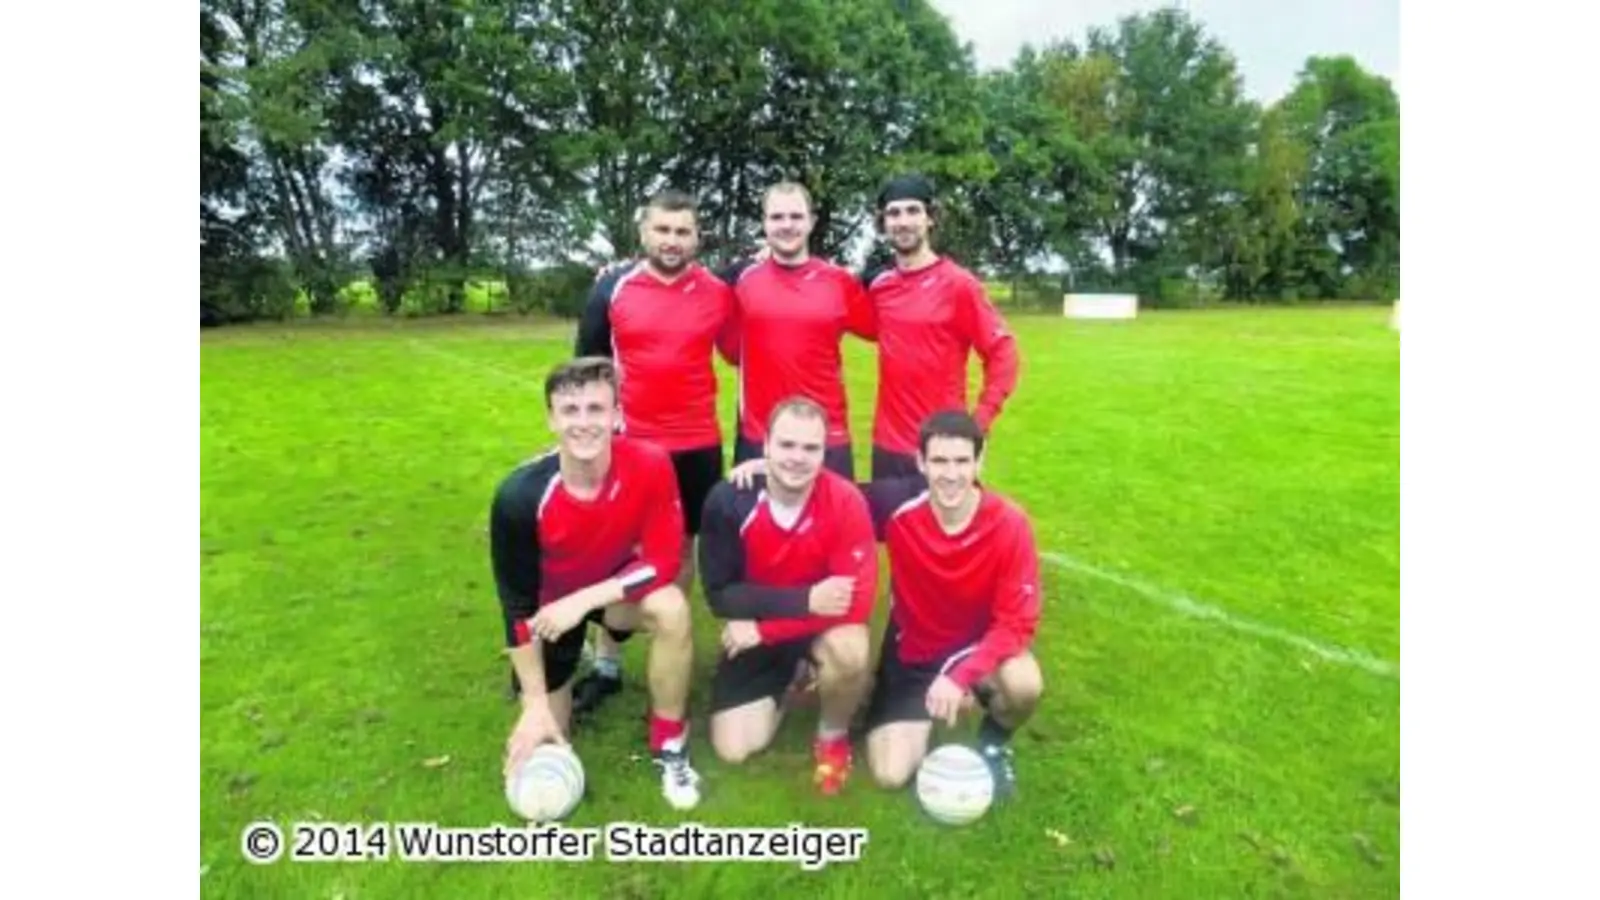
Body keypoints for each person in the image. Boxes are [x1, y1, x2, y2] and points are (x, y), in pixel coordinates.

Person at [727, 409, 1044, 799]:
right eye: (939, 461)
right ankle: (895, 701)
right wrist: (774, 466)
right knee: (890, 774)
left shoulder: (1010, 524)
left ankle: (993, 746)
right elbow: (830, 493)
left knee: (1024, 684)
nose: (950, 474)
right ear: (920, 461)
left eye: (962, 461)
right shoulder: (898, 504)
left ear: (979, 461)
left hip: (977, 649)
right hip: (913, 654)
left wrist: (961, 676)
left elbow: (1016, 622)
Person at [491, 357, 702, 810]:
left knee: (671, 607)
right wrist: (533, 705)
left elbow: (665, 561)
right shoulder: (519, 496)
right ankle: (557, 683)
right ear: (551, 418)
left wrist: (585, 600)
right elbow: (516, 606)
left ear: (617, 415)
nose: (583, 423)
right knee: (550, 742)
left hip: (609, 593)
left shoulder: (650, 464)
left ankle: (669, 741)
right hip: (549, 615)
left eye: (595, 409)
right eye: (570, 411)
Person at [568, 189, 739, 717]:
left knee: (683, 549)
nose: (672, 241)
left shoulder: (718, 292)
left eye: (682, 231)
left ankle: (674, 644)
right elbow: (586, 372)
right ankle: (607, 662)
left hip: (698, 444)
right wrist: (589, 442)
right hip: (632, 443)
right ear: (643, 233)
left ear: (696, 237)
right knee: (620, 551)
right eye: (662, 230)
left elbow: (738, 351)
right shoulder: (611, 288)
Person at [697, 397, 879, 794]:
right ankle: (792, 680)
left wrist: (767, 631)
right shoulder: (728, 500)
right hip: (770, 622)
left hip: (804, 629)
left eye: (810, 448)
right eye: (787, 445)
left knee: (851, 649)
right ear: (765, 446)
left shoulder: (846, 501)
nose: (797, 458)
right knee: (734, 749)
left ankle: (832, 735)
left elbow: (857, 602)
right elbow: (719, 596)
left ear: (824, 452)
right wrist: (805, 600)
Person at [861, 174, 1022, 481]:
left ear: (930, 217)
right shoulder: (880, 286)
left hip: (943, 450)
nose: (903, 221)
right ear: (883, 223)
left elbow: (1003, 352)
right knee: (889, 530)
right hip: (887, 449)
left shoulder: (959, 285)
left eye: (913, 211)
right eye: (894, 213)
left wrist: (980, 423)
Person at [719, 182, 877, 479]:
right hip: (760, 437)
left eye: (796, 216)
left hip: (828, 436)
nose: (787, 225)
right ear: (764, 223)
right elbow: (729, 351)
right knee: (756, 525)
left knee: (834, 524)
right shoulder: (742, 282)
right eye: (777, 217)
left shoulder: (839, 282)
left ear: (811, 222)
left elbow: (882, 328)